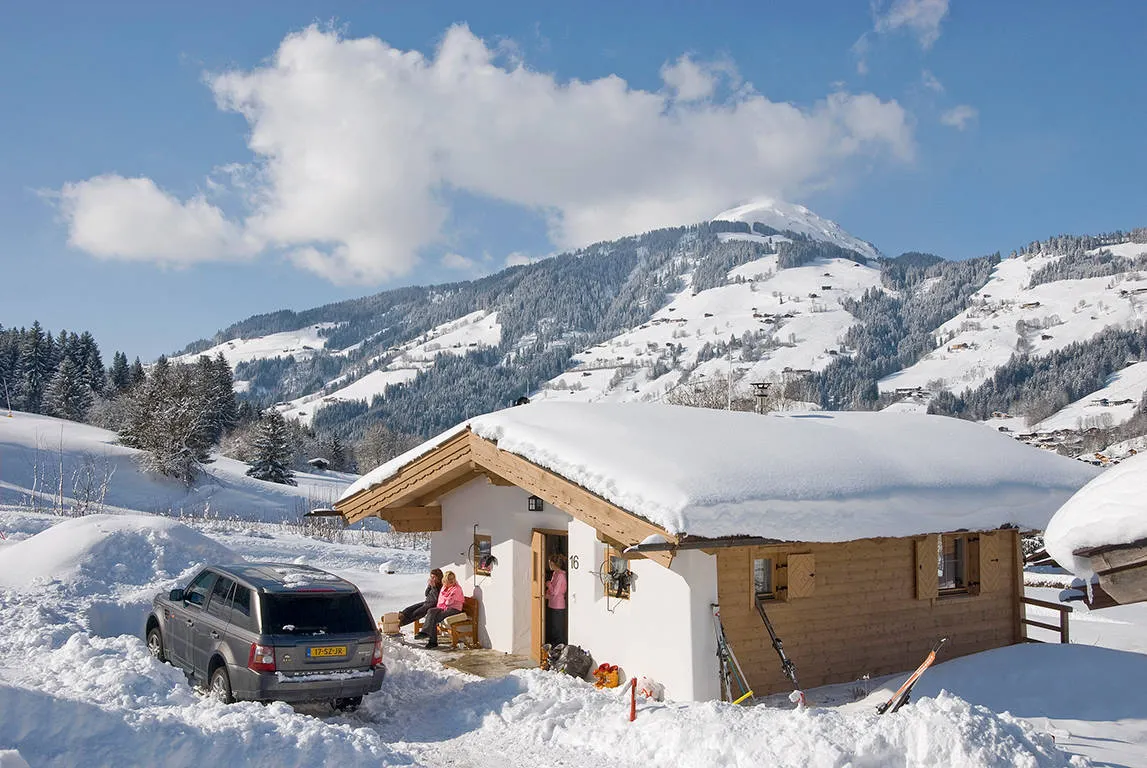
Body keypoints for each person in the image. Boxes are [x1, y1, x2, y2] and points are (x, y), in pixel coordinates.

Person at [421, 570, 464, 649]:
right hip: (444, 607)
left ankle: (432, 642)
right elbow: (440, 600)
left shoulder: (456, 589)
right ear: (445, 580)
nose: (451, 581)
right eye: (449, 579)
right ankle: (424, 632)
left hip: (454, 609)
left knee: (434, 619)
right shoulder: (444, 588)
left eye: (453, 578)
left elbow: (449, 602)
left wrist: (445, 599)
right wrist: (444, 600)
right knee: (431, 611)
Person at [402, 568, 442, 634]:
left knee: (416, 613)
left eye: (434, 577)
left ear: (439, 577)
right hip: (427, 602)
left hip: (432, 605)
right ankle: (399, 617)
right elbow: (426, 594)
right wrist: (429, 586)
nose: (432, 579)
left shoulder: (441, 586)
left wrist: (434, 587)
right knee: (408, 609)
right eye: (431, 577)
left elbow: (436, 598)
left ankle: (400, 623)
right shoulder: (432, 585)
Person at [545, 553, 567, 646]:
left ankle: (559, 647)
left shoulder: (561, 576)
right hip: (552, 604)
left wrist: (548, 584)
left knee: (557, 629)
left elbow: (555, 591)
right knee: (553, 628)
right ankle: (554, 647)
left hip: (558, 606)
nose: (549, 565)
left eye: (550, 563)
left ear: (553, 564)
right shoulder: (555, 573)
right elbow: (552, 592)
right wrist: (547, 594)